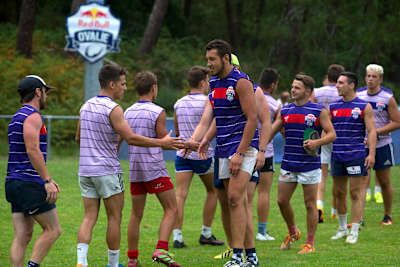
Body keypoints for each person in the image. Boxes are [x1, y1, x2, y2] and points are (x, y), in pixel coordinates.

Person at [75, 65, 183, 267]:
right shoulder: (113, 109)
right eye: (123, 84)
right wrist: (161, 143)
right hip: (107, 171)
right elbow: (131, 138)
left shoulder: (85, 106)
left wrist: (93, 149)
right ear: (112, 84)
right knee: (114, 218)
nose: (125, 88)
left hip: (85, 171)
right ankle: (113, 264)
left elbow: (78, 138)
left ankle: (81, 262)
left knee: (89, 217)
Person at [191, 39, 259, 267]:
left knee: (234, 198)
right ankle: (251, 257)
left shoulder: (241, 82)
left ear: (225, 58)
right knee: (238, 202)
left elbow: (252, 120)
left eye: (212, 59)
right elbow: (217, 118)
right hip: (224, 147)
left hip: (244, 146)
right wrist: (205, 140)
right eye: (207, 59)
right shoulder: (214, 83)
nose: (208, 64)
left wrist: (240, 153)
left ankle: (237, 256)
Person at [270, 73, 336, 254]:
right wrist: (258, 148)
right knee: (282, 201)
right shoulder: (285, 110)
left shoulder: (318, 111)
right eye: (292, 86)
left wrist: (316, 143)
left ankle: (309, 244)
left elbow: (331, 134)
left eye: (297, 87)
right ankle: (293, 232)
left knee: (309, 205)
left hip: (309, 165)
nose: (292, 89)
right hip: (288, 163)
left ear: (307, 91)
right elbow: (271, 131)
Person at [124, 71, 185, 267]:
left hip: (135, 169)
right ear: (153, 88)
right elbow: (163, 142)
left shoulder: (127, 111)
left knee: (136, 214)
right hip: (153, 168)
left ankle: (132, 259)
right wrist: (187, 145)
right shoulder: (157, 111)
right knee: (171, 208)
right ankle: (161, 249)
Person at [5, 75, 62, 267]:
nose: (46, 96)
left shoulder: (15, 118)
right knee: (53, 230)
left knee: (23, 235)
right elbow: (32, 149)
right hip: (28, 182)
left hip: (12, 183)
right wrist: (47, 180)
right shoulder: (33, 116)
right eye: (45, 91)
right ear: (38, 92)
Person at [172, 66, 224, 249]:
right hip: (203, 154)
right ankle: (206, 233)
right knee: (213, 191)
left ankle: (177, 236)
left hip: (182, 153)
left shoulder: (178, 103)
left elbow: (177, 131)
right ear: (203, 83)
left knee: (180, 195)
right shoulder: (208, 101)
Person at [330, 72, 376, 244]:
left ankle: (354, 230)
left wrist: (371, 154)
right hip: (337, 155)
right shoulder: (333, 107)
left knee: (355, 193)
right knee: (339, 193)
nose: (337, 85)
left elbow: (372, 131)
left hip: (356, 155)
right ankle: (342, 229)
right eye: (337, 82)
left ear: (352, 85)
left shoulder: (364, 106)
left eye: (341, 83)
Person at [357, 64, 400, 225]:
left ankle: (387, 215)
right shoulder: (358, 95)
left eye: (374, 76)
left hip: (382, 145)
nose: (370, 79)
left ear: (380, 79)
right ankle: (358, 217)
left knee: (384, 182)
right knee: (362, 180)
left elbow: (397, 122)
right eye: (368, 76)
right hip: (363, 145)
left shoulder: (388, 98)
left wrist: (376, 132)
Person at [311, 64, 345, 222]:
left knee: (322, 174)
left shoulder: (317, 92)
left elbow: (310, 109)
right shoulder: (343, 91)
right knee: (337, 175)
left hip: (320, 135)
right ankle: (335, 210)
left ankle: (319, 204)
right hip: (339, 135)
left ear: (328, 76)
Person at [255, 68, 281, 241]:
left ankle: (242, 228)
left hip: (246, 149)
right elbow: (280, 127)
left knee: (245, 193)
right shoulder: (274, 104)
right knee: (263, 192)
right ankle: (261, 232)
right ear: (273, 85)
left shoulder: (250, 96)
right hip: (266, 152)